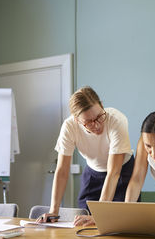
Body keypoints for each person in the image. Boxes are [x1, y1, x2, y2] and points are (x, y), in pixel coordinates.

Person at [36, 86, 135, 226]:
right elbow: (62, 171)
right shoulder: (69, 127)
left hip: (122, 171)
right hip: (93, 172)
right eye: (88, 122)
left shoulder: (116, 120)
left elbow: (113, 173)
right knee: (84, 220)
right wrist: (53, 211)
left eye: (99, 117)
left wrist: (99, 216)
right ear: (77, 120)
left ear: (101, 105)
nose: (97, 125)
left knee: (119, 222)